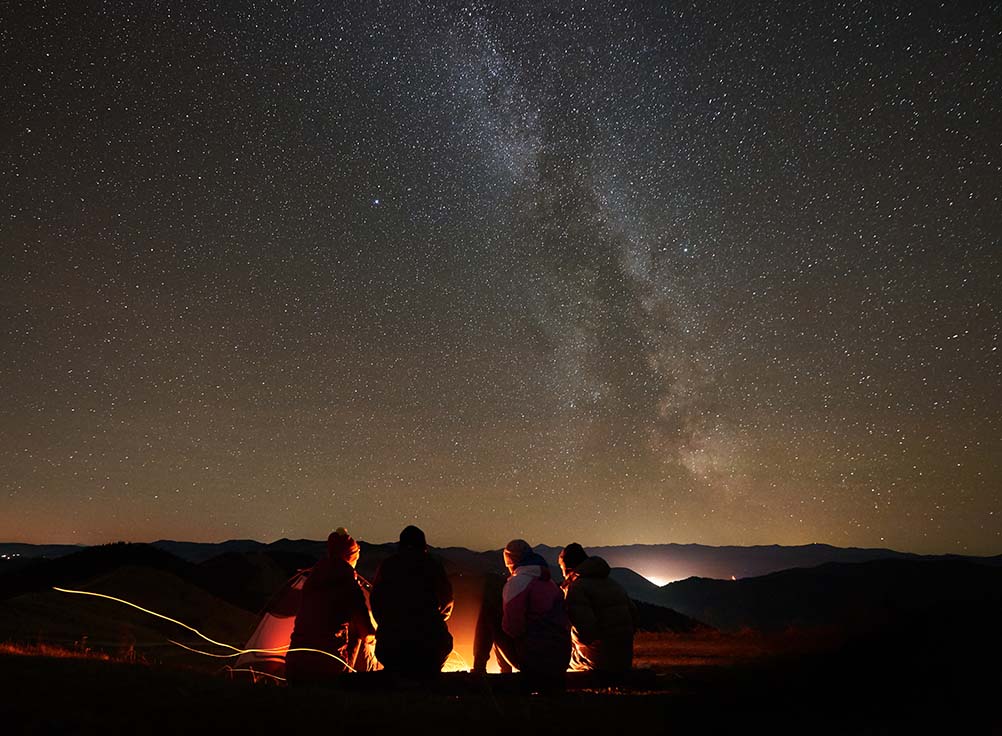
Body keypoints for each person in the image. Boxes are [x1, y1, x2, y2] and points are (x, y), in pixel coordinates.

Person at [285, 528, 377, 684]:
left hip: (294, 668)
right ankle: (353, 678)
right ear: (351, 557)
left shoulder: (312, 580)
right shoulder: (349, 585)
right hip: (329, 672)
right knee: (359, 631)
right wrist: (379, 638)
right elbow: (367, 632)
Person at [370, 525, 454, 676]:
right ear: (424, 545)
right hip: (430, 650)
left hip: (390, 649)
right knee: (442, 640)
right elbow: (447, 604)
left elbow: (376, 603)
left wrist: (389, 624)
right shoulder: (433, 565)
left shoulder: (387, 566)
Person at [494, 539, 571, 690]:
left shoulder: (517, 583)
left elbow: (512, 628)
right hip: (561, 659)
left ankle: (490, 671)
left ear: (510, 561)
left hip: (535, 660)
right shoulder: (551, 583)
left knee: (492, 615)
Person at [558, 543, 636, 673]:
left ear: (567, 567)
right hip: (624, 658)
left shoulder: (577, 588)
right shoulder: (613, 583)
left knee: (557, 660)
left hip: (599, 660)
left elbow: (585, 634)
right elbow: (634, 615)